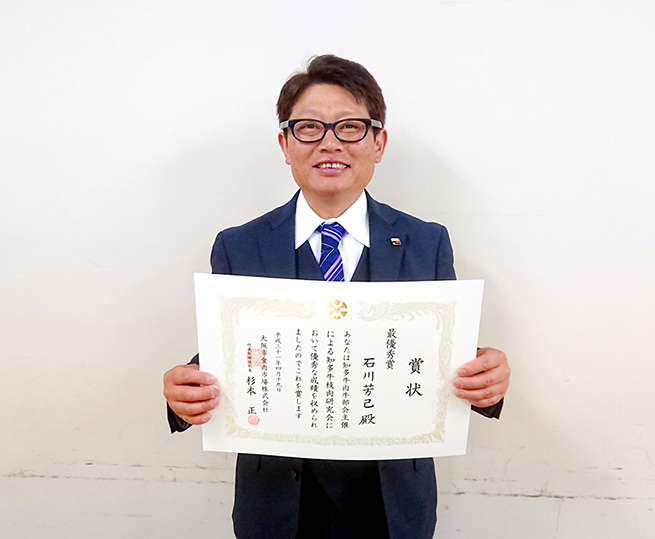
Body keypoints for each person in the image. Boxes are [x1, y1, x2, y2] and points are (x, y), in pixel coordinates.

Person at [163, 54, 510, 539]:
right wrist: (185, 391)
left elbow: (441, 357)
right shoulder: (240, 245)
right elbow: (239, 354)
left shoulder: (425, 242)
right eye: (309, 128)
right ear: (285, 144)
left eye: (350, 127)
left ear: (378, 143)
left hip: (391, 504)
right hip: (278, 503)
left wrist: (487, 378)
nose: (330, 143)